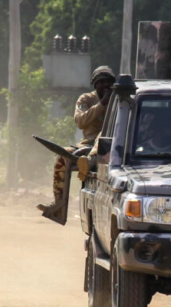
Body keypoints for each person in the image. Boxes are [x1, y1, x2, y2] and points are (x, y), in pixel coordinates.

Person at [37, 66, 116, 213]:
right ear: (95, 84)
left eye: (108, 82)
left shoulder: (119, 100)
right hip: (87, 144)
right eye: (101, 82)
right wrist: (101, 105)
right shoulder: (86, 99)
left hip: (113, 145)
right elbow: (80, 121)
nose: (105, 85)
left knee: (103, 135)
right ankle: (58, 204)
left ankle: (88, 162)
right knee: (62, 156)